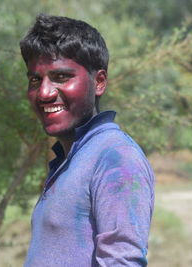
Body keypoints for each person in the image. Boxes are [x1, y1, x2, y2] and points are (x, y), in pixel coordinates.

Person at [19, 14, 155, 267]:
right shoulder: (72, 157)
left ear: (99, 82)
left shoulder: (115, 157)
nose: (44, 93)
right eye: (35, 80)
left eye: (60, 77)